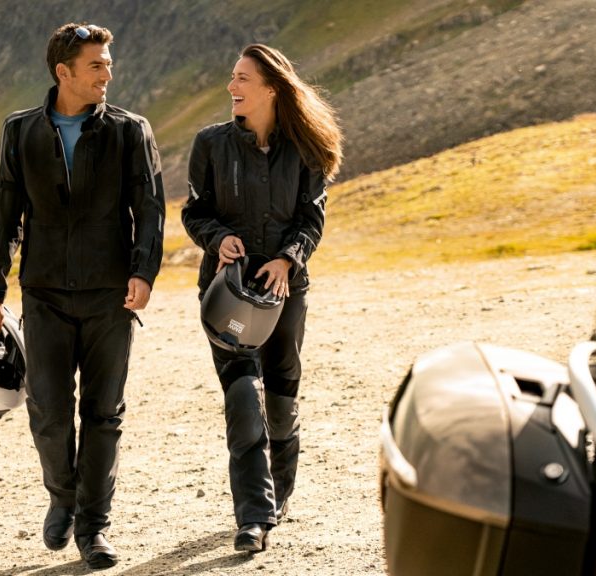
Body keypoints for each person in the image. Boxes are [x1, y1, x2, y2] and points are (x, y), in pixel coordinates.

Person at [0, 22, 165, 570]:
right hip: (45, 295)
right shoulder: (21, 131)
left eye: (108, 64)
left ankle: (94, 525)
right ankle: (63, 496)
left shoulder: (130, 131)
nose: (108, 74)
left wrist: (143, 272)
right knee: (49, 409)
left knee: (104, 413)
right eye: (96, 65)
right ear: (64, 72)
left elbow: (150, 207)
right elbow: (5, 214)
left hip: (110, 295)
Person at [181, 43, 343, 552]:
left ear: (272, 89)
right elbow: (194, 211)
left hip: (284, 290)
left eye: (242, 78)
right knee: (242, 397)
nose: (231, 86)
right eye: (232, 77)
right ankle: (253, 517)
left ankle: (279, 494)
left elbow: (311, 218)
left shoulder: (305, 149)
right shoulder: (210, 143)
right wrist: (218, 239)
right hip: (226, 291)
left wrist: (288, 259)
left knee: (281, 391)